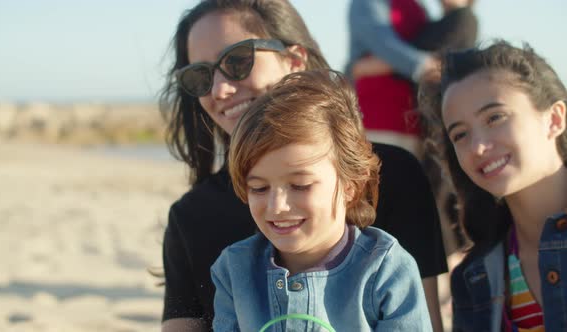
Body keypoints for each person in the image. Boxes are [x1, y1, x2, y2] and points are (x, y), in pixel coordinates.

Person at [159, 1, 447, 331]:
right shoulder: (191, 218)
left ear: (294, 60)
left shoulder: (394, 175)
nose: (220, 89)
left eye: (237, 61)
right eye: (201, 75)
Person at [210, 69, 431, 331]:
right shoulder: (234, 269)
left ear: (351, 184)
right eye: (259, 188)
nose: (277, 206)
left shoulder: (386, 269)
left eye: (300, 185)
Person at [419, 40, 567, 331]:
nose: (478, 147)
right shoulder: (473, 279)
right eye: (460, 134)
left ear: (554, 118)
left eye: (495, 117)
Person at [347, 0, 478, 155]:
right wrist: (426, 65)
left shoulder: (417, 6)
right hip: (379, 115)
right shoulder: (370, 3)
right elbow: (384, 44)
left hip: (416, 122)